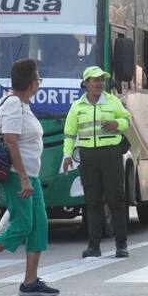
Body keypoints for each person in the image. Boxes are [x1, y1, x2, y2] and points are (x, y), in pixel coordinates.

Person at [0, 59, 59, 296]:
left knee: (39, 225)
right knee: (22, 225)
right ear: (32, 83)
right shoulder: (14, 104)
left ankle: (30, 282)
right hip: (18, 176)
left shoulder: (21, 103)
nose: (39, 83)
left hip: (31, 175)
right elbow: (10, 140)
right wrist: (24, 178)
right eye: (38, 78)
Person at [62, 66, 132, 258]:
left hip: (111, 155)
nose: (100, 83)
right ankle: (94, 246)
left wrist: (117, 124)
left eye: (102, 79)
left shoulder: (113, 101)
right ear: (86, 83)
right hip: (88, 157)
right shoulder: (77, 107)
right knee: (92, 202)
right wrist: (67, 156)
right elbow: (69, 134)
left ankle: (121, 245)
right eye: (95, 80)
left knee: (116, 200)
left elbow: (127, 120)